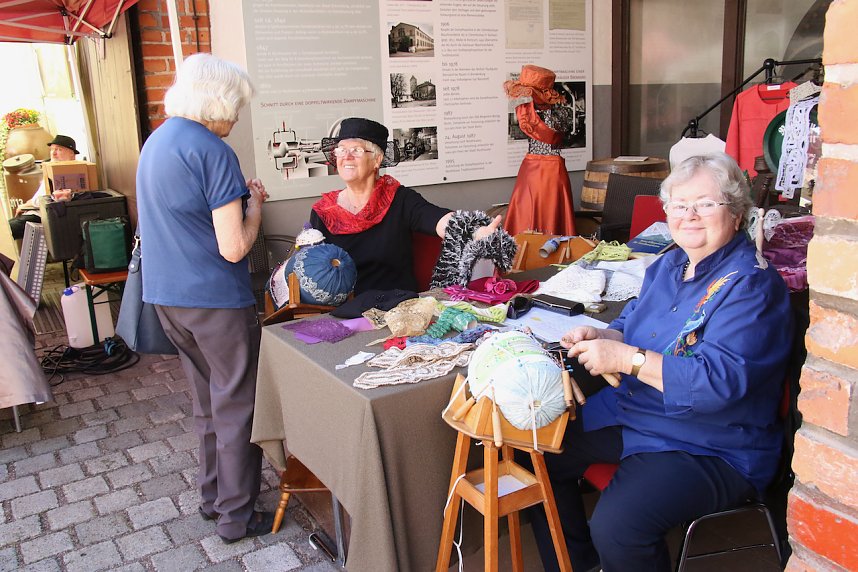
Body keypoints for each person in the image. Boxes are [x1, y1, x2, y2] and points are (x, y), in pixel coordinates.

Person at [529, 153, 794, 572]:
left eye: (706, 204)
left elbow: (717, 383)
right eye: (678, 205)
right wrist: (603, 335)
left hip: (712, 444)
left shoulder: (751, 286)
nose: (689, 216)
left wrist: (624, 357)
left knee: (618, 526)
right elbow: (630, 324)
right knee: (538, 453)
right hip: (642, 416)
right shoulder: (670, 264)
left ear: (738, 213)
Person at [136, 53, 272, 544]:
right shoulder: (213, 152)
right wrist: (254, 207)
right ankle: (238, 515)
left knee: (207, 403)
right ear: (215, 101)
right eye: (235, 107)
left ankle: (213, 497)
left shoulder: (157, 141)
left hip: (167, 296)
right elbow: (234, 246)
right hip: (215, 299)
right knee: (237, 403)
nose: (236, 118)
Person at [310, 117, 501, 293]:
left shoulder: (400, 200)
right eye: (341, 150)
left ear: (377, 160)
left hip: (396, 308)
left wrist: (473, 230)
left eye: (357, 150)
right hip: (342, 312)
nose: (346, 157)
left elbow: (436, 218)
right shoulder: (324, 212)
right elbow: (310, 268)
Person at [503, 65, 576, 237]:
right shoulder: (558, 112)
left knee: (534, 217)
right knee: (528, 216)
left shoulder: (531, 113)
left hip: (540, 171)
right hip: (542, 171)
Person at [7, 134, 78, 239]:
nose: (53, 153)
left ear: (71, 154)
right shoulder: (52, 169)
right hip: (35, 212)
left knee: (6, 232)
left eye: (59, 149)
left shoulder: (69, 172)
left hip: (44, 217)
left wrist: (24, 206)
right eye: (52, 149)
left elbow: (43, 200)